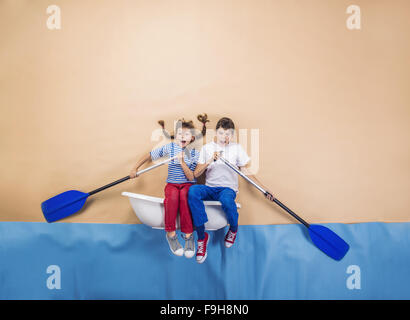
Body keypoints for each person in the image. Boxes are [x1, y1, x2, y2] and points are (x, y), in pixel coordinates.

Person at [188, 117, 274, 263]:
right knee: (193, 191)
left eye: (228, 134)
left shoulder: (237, 148)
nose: (224, 137)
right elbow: (195, 175)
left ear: (232, 135)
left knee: (227, 200)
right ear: (216, 132)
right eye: (221, 133)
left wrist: (264, 189)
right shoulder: (207, 148)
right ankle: (202, 238)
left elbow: (247, 172)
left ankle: (233, 228)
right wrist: (210, 161)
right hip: (210, 188)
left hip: (227, 189)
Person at [130, 115, 208, 258]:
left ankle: (189, 236)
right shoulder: (170, 147)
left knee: (185, 199)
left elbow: (192, 176)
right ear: (175, 137)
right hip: (172, 184)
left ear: (191, 138)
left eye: (186, 134)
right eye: (179, 134)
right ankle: (171, 235)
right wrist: (135, 168)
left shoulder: (195, 154)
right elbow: (149, 156)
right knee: (171, 199)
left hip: (188, 184)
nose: (182, 136)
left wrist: (182, 162)